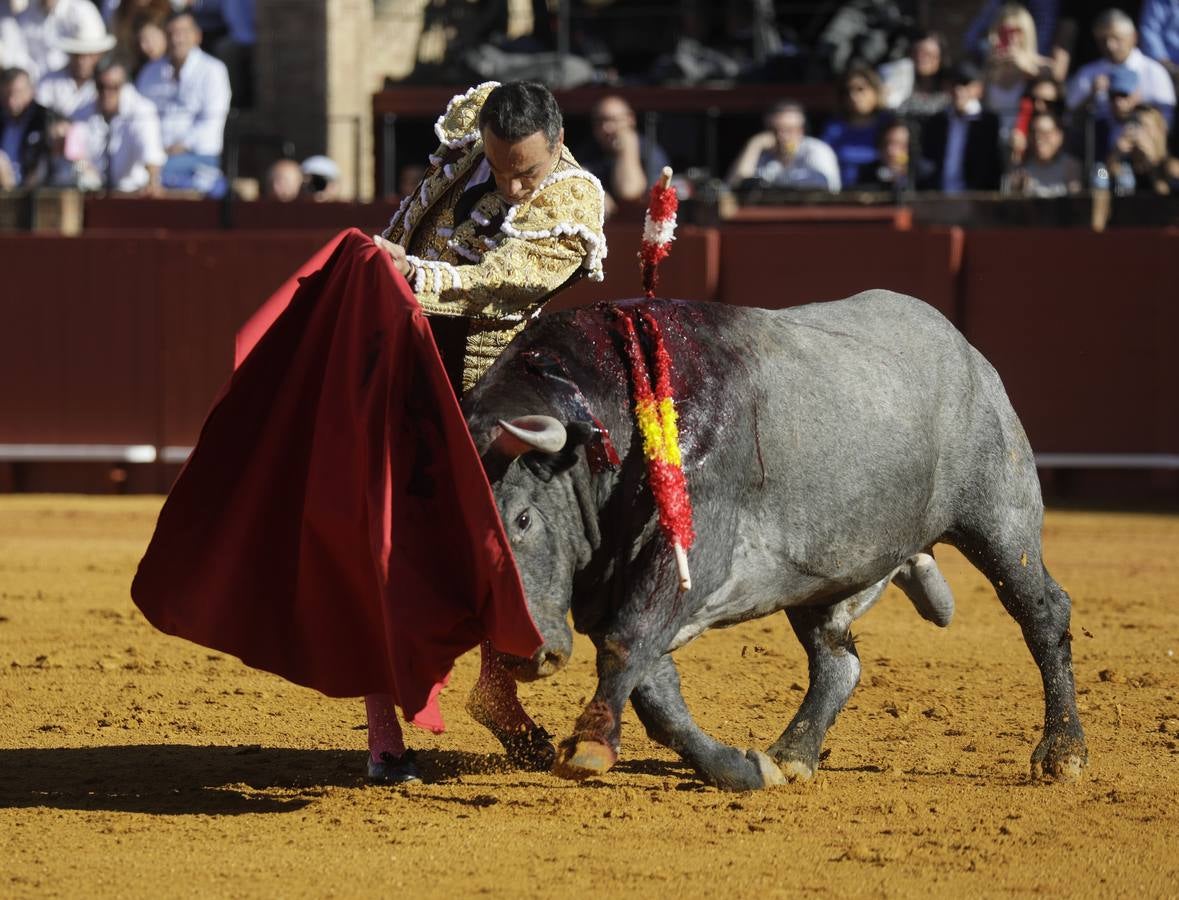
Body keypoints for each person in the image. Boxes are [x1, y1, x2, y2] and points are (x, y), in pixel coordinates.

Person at [369, 80, 606, 784]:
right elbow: (407, 223)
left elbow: (505, 279)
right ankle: (383, 735)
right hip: (403, 370)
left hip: (490, 391)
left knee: (497, 549)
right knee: (380, 547)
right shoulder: (471, 148)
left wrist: (411, 274)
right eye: (499, 165)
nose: (509, 181)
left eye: (525, 170)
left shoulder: (571, 198)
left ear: (557, 144)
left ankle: (497, 689)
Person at [135, 10, 230, 193]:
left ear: (197, 36)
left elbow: (212, 123)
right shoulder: (150, 73)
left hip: (199, 157)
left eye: (183, 33)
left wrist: (181, 145)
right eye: (171, 34)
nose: (177, 39)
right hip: (156, 156)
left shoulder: (213, 70)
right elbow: (139, 116)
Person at [69, 54, 164, 193]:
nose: (107, 93)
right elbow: (77, 155)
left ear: (124, 85)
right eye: (101, 87)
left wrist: (152, 181)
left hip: (133, 193)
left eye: (114, 87)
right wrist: (84, 169)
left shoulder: (142, 111)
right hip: (93, 193)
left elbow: (151, 153)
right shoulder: (83, 111)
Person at [1065, 9, 1175, 126]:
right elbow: (1069, 117)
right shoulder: (1087, 74)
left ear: (1134, 37)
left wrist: (1140, 108)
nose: (1110, 46)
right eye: (1103, 40)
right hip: (1098, 141)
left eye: (1117, 38)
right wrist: (1090, 96)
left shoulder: (1154, 72)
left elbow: (1167, 120)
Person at [918, 59, 1003, 192]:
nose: (958, 90)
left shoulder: (990, 122)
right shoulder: (937, 122)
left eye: (965, 84)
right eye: (953, 84)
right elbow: (928, 164)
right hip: (939, 199)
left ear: (978, 88)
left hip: (978, 201)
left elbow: (993, 167)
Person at [574, 94, 669, 206]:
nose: (606, 128)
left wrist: (628, 145)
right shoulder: (588, 150)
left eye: (613, 120)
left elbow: (629, 191)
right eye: (600, 121)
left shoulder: (651, 152)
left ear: (630, 119)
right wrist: (597, 194)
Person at [726, 100, 841, 191]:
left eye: (788, 130)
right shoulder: (763, 155)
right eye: (774, 130)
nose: (782, 136)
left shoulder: (817, 151)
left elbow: (824, 189)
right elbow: (734, 187)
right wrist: (754, 144)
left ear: (801, 131)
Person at [983, 3, 1053, 144]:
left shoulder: (1042, 66)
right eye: (1005, 32)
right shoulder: (988, 67)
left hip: (1027, 145)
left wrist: (1026, 68)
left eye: (1017, 32)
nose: (1011, 38)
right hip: (990, 144)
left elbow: (1054, 91)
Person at [820, 62, 888, 189]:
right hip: (842, 195)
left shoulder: (888, 124)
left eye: (860, 89)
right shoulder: (834, 127)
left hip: (883, 193)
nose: (853, 96)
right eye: (848, 91)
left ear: (876, 91)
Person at [34, 14, 114, 118]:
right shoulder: (48, 82)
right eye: (77, 55)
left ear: (99, 55)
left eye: (89, 55)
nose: (82, 61)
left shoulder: (109, 85)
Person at [8, 0, 106, 83]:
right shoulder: (25, 14)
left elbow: (93, 53)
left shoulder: (82, 10)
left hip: (74, 85)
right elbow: (17, 53)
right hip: (34, 88)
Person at [1002, 110, 1081, 195]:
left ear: (1059, 136)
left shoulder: (1070, 166)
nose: (1038, 138)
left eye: (1045, 133)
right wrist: (1017, 190)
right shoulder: (1022, 168)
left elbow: (1076, 201)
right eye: (1034, 132)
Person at [879, 30, 951, 120]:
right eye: (916, 52)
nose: (920, 58)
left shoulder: (949, 93)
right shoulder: (897, 86)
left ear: (940, 59)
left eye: (928, 54)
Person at [0, 65, 53, 187]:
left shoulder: (44, 119)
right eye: (6, 94)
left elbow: (43, 164)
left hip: (33, 191)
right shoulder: (2, 117)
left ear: (31, 91)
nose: (11, 101)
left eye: (17, 93)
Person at [1106, 103, 1177, 194]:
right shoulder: (1126, 164)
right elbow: (1100, 177)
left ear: (1160, 130)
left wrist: (1152, 160)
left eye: (1145, 126)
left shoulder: (1171, 167)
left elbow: (1165, 197)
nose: (1140, 132)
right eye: (1136, 124)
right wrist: (1114, 156)